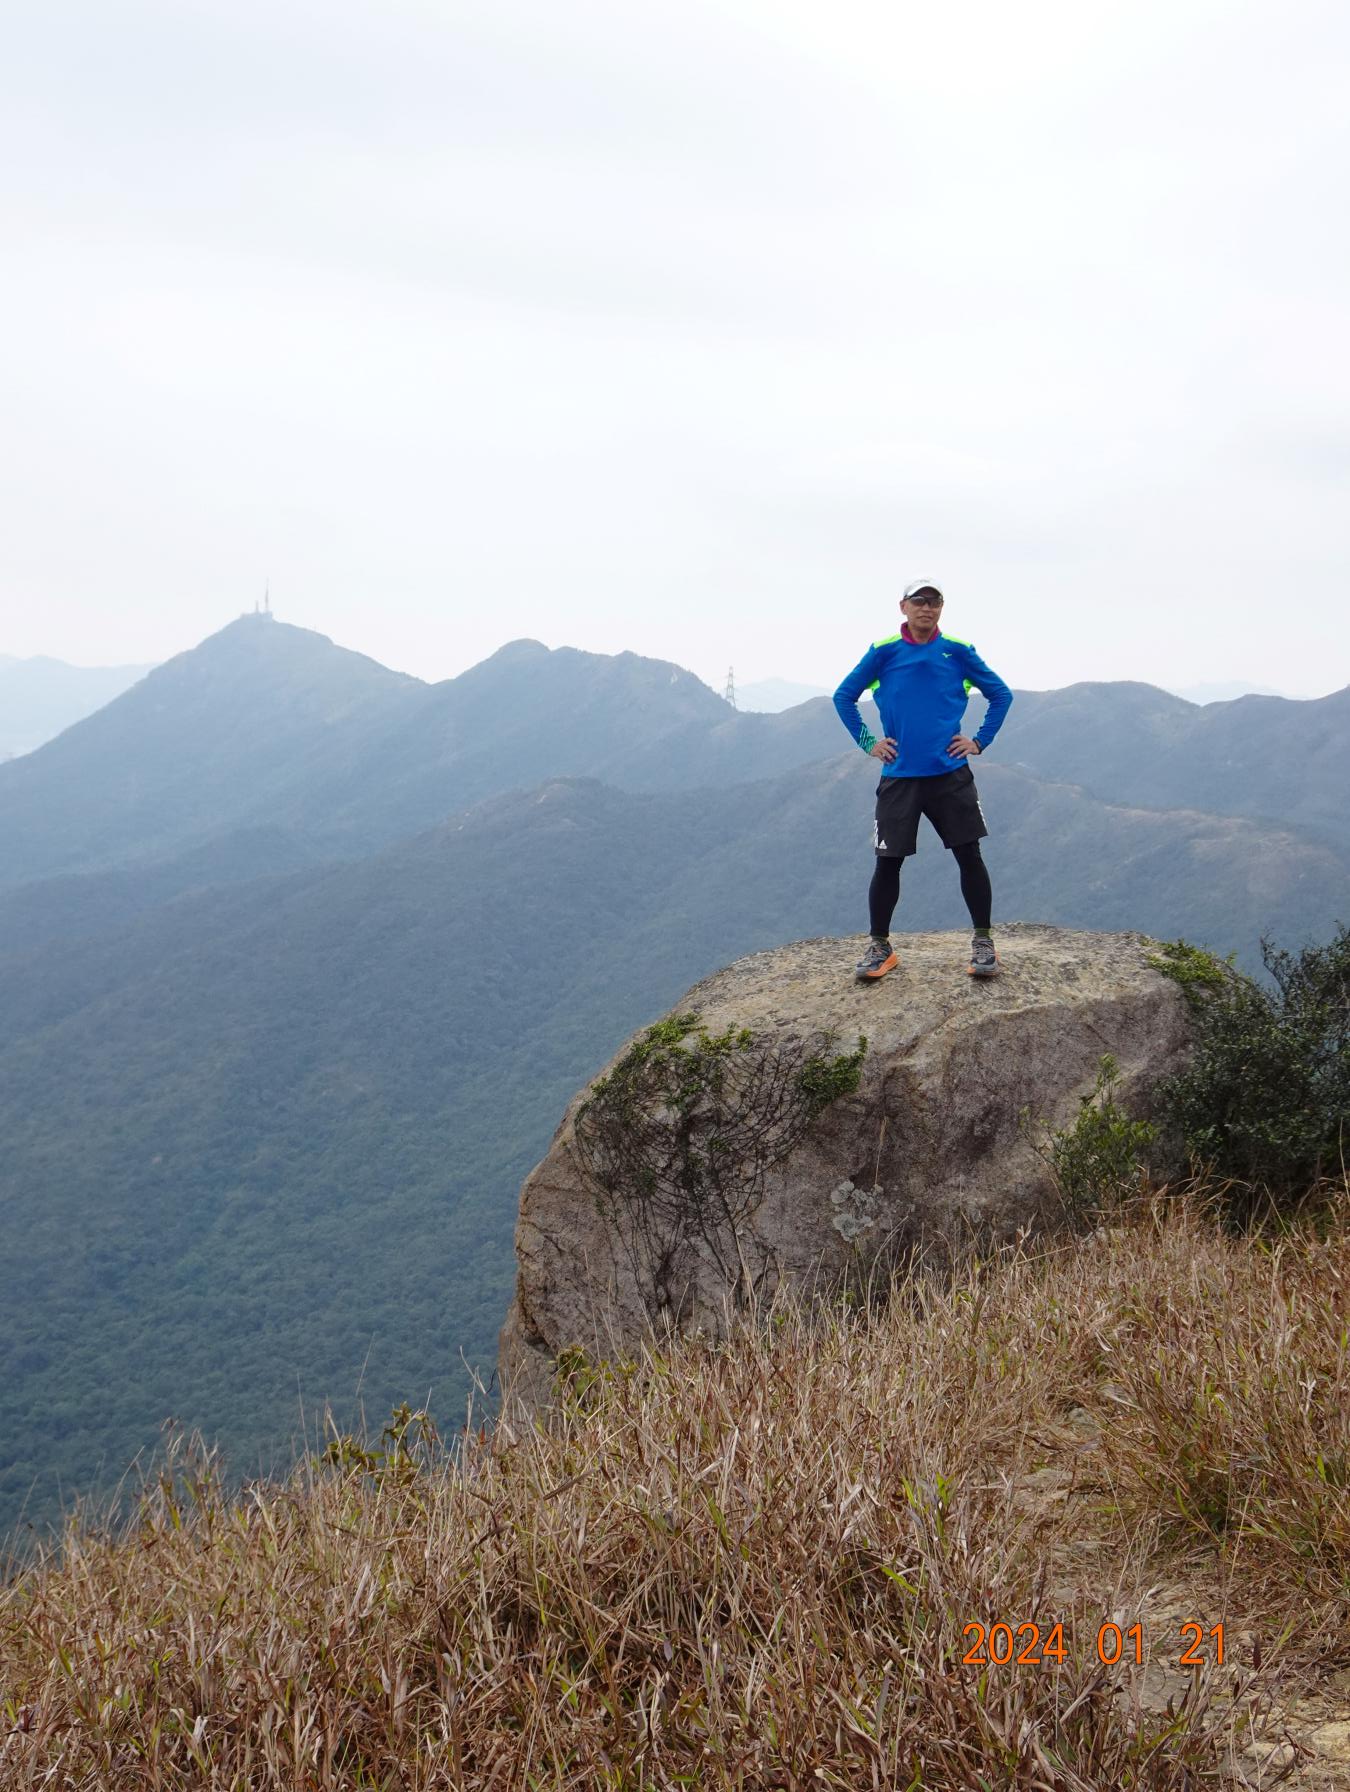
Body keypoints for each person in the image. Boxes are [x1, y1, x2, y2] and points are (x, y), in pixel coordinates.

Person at [832, 579, 1013, 981]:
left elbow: (1001, 694)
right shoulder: (883, 652)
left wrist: (979, 741)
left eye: (934, 601)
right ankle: (880, 946)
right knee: (887, 863)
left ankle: (984, 942)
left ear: (941, 608)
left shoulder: (958, 651)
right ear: (903, 606)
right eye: (919, 601)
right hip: (900, 777)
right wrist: (869, 743)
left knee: (969, 856)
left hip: (950, 774)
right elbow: (843, 696)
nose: (927, 608)